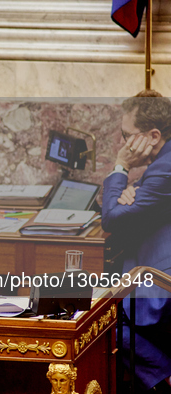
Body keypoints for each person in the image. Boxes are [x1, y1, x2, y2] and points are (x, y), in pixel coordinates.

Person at [101, 89, 171, 393]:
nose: (122, 144)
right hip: (148, 263)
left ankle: (164, 378)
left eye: (126, 135)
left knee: (101, 326)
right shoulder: (161, 164)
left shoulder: (165, 169)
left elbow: (111, 219)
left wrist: (121, 168)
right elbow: (117, 208)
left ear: (153, 135)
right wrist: (127, 193)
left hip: (160, 280)